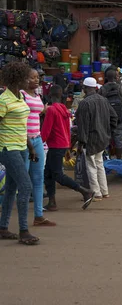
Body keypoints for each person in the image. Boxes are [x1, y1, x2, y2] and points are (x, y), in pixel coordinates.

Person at [0, 62, 40, 245]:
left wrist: (31, 148)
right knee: (26, 186)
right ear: (17, 79)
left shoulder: (20, 98)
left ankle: (3, 228)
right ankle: (24, 230)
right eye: (26, 77)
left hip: (22, 148)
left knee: (11, 189)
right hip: (8, 149)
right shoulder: (4, 100)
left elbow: (22, 127)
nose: (29, 80)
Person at [42, 85, 94, 210]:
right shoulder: (64, 109)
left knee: (57, 175)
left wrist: (38, 143)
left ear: (50, 96)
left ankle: (84, 191)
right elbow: (67, 129)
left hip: (55, 145)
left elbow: (46, 131)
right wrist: (67, 146)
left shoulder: (51, 110)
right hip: (62, 143)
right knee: (48, 173)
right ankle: (52, 202)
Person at [75, 77, 118, 201]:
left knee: (91, 166)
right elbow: (114, 117)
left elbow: (83, 126)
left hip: (91, 139)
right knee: (99, 164)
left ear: (85, 88)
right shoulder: (104, 100)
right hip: (103, 138)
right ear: (95, 87)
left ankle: (96, 193)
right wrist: (108, 131)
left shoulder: (85, 103)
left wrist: (81, 143)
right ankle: (104, 191)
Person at [22, 68, 54, 226]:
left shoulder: (37, 96)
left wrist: (45, 110)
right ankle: (22, 221)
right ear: (24, 79)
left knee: (38, 178)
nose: (36, 80)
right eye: (32, 77)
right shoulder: (21, 95)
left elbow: (38, 112)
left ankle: (38, 215)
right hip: (23, 140)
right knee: (23, 179)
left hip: (37, 139)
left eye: (37, 78)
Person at [99, 69, 122, 160]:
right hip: (119, 118)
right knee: (119, 140)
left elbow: (100, 106)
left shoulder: (102, 89)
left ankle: (107, 159)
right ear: (116, 77)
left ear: (106, 77)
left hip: (106, 119)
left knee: (106, 139)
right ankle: (118, 160)